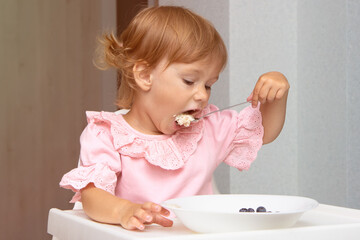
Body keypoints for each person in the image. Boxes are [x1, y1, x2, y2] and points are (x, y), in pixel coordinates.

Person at [60, 6, 290, 231]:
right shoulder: (107, 135)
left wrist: (277, 94)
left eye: (209, 85)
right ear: (144, 75)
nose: (202, 95)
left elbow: (265, 132)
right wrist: (123, 211)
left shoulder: (208, 127)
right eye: (189, 81)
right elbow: (92, 196)